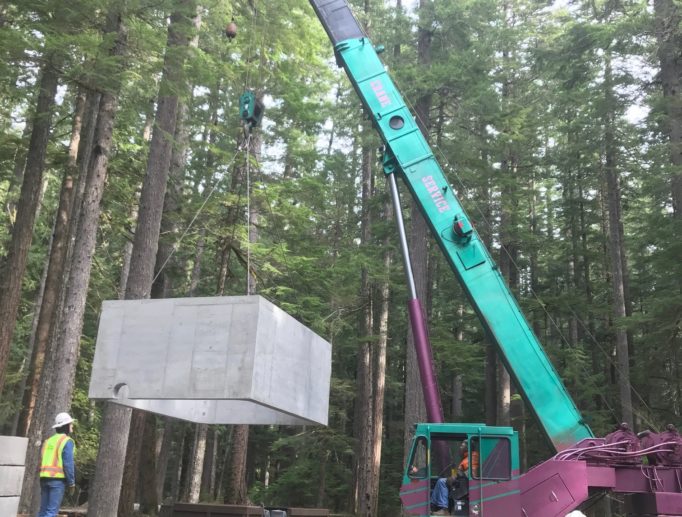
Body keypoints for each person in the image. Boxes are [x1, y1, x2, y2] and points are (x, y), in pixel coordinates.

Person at [38, 412, 76, 517]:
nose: (72, 426)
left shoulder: (49, 441)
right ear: (66, 426)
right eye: (70, 424)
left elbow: (42, 459)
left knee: (43, 511)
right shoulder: (67, 441)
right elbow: (68, 464)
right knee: (51, 512)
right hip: (57, 480)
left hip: (44, 479)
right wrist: (71, 482)